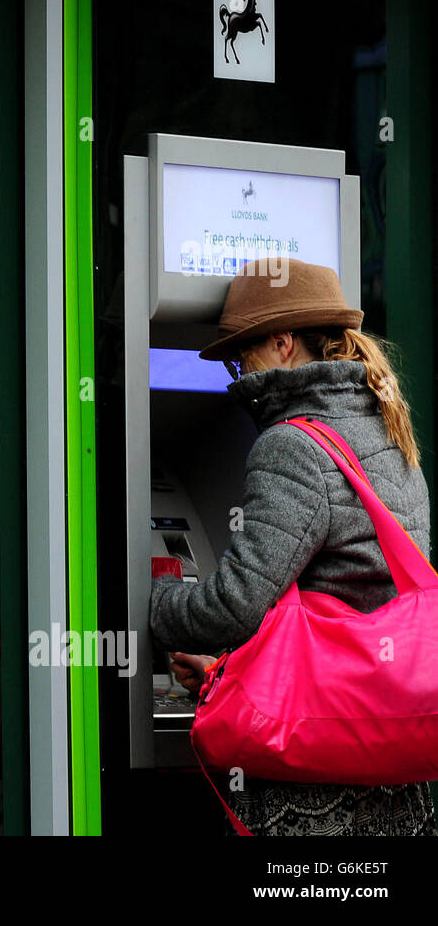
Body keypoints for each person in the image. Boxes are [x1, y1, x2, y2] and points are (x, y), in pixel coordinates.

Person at [150, 257, 436, 836]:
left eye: (243, 354)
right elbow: (356, 602)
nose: (237, 373)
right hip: (394, 769)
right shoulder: (388, 429)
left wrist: (153, 600)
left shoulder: (293, 445)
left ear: (283, 343)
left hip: (318, 782)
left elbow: (234, 605)